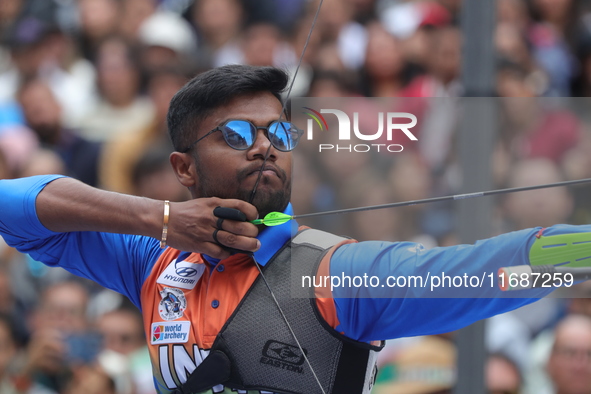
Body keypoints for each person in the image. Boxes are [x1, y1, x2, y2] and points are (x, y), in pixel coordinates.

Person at [0, 64, 587, 394]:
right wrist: (158, 219)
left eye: (279, 134)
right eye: (235, 135)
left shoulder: (337, 274)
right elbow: (13, 205)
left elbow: (491, 269)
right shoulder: (151, 259)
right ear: (183, 168)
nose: (264, 147)